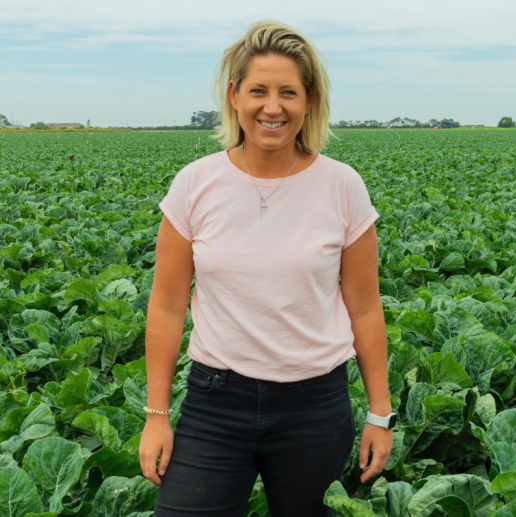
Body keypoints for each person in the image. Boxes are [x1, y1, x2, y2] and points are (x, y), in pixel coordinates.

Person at [139, 20, 394, 516]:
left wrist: (380, 414)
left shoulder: (343, 186)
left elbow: (363, 306)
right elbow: (167, 306)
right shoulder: (195, 184)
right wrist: (156, 413)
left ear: (309, 100)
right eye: (258, 90)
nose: (272, 107)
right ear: (235, 96)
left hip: (315, 406)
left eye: (288, 93)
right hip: (215, 402)